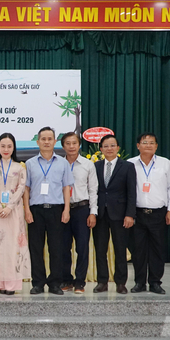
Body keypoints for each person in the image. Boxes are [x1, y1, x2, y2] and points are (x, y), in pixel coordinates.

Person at [23, 126, 74, 295]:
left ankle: (54, 283)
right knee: (36, 248)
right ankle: (38, 282)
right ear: (37, 142)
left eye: (49, 139)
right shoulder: (29, 164)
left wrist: (66, 210)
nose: (46, 142)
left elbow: (67, 188)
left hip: (56, 210)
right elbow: (26, 189)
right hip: (36, 210)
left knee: (57, 248)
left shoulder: (63, 163)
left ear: (54, 141)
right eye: (43, 139)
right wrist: (27, 210)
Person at [128, 133, 170, 295]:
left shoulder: (165, 163)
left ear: (156, 146)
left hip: (159, 213)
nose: (148, 145)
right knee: (138, 250)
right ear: (137, 145)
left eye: (151, 143)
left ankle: (155, 282)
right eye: (144, 142)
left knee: (157, 249)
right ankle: (139, 282)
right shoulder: (130, 164)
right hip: (137, 214)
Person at [0, 133, 30, 295]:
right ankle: (1, 283)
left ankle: (12, 284)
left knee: (13, 247)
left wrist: (9, 207)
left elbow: (21, 188)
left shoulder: (20, 167)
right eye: (3, 146)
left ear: (14, 148)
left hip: (14, 212)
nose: (6, 149)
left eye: (9, 146)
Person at [93, 134, 136, 294]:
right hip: (100, 214)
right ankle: (102, 282)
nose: (109, 148)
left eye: (112, 145)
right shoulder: (95, 166)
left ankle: (120, 283)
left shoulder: (127, 166)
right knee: (100, 250)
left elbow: (132, 192)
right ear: (101, 149)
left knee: (120, 249)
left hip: (120, 215)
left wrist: (130, 214)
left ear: (118, 148)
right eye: (106, 146)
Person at [60, 132, 98, 294]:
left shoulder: (88, 165)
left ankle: (80, 282)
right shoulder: (58, 164)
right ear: (63, 146)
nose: (71, 146)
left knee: (82, 247)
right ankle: (67, 280)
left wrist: (93, 212)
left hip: (82, 209)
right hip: (62, 210)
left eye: (74, 143)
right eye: (67, 143)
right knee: (63, 247)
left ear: (79, 145)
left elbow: (93, 190)